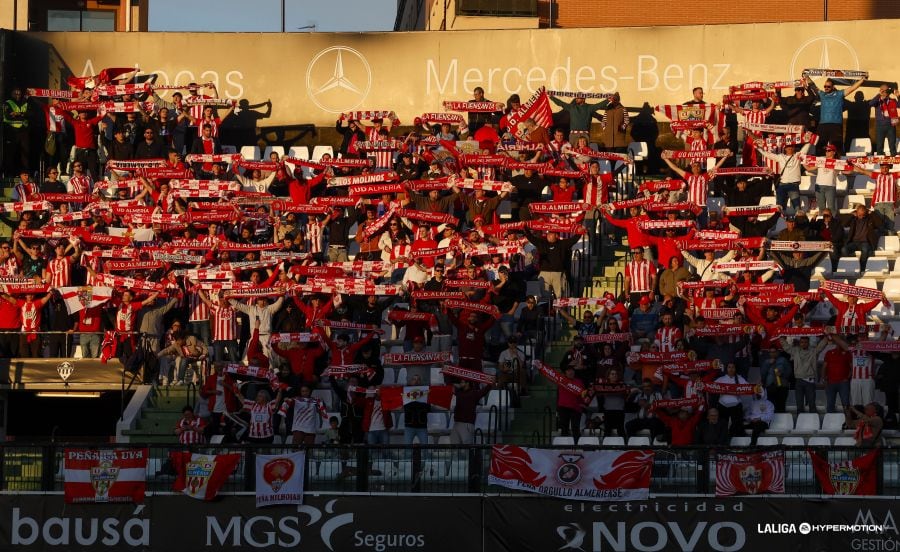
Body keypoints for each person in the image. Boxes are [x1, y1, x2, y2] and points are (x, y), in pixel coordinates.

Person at [807, 76, 865, 155]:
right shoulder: (822, 94)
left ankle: (838, 165)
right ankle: (819, 164)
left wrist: (862, 80)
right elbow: (813, 86)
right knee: (820, 146)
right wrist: (806, 77)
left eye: (828, 86)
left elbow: (852, 88)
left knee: (837, 147)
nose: (826, 88)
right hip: (823, 124)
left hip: (836, 125)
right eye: (825, 86)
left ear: (833, 87)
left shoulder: (839, 94)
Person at [780, 335, 828, 414]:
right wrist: (781, 337)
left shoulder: (813, 351)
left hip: (810, 381)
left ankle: (813, 424)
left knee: (812, 404)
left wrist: (827, 337)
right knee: (799, 405)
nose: (804, 344)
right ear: (799, 343)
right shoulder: (795, 351)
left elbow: (821, 346)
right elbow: (786, 347)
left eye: (805, 342)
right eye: (802, 342)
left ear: (808, 343)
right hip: (798, 381)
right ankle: (800, 424)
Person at [450, 380, 492, 444]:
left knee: (466, 448)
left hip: (467, 424)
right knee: (454, 448)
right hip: (456, 423)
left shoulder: (474, 393)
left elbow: (484, 391)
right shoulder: (458, 392)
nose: (460, 383)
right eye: (460, 382)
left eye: (462, 382)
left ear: (467, 383)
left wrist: (490, 383)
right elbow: (449, 386)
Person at [821, 334, 852, 413]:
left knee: (845, 404)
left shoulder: (848, 353)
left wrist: (847, 378)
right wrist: (824, 379)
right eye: (838, 341)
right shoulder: (829, 353)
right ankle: (830, 423)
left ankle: (848, 422)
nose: (839, 343)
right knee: (830, 404)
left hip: (843, 383)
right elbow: (824, 367)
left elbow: (852, 368)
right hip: (830, 382)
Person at [556, 366, 588, 443]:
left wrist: (584, 402)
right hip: (563, 407)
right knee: (564, 427)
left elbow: (583, 395)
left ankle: (577, 445)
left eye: (572, 370)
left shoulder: (579, 382)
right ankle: (563, 446)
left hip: (576, 408)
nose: (571, 372)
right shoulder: (561, 380)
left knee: (575, 428)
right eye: (568, 370)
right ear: (565, 372)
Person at [759, 348, 792, 413]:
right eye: (771, 352)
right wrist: (768, 364)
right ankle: (772, 422)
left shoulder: (783, 360)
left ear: (778, 352)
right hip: (770, 386)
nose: (773, 353)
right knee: (771, 406)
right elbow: (763, 374)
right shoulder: (766, 361)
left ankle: (782, 422)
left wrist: (782, 374)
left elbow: (789, 372)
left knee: (781, 407)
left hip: (782, 386)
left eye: (774, 352)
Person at [869, 84, 899, 155]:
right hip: (880, 126)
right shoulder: (878, 101)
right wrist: (879, 95)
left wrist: (898, 96)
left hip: (891, 125)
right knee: (879, 147)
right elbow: (870, 103)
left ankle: (893, 164)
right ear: (880, 90)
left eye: (887, 90)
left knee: (892, 146)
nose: (885, 92)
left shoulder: (893, 100)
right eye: (883, 90)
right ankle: (880, 165)